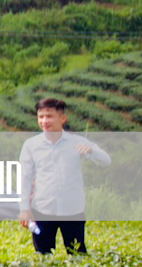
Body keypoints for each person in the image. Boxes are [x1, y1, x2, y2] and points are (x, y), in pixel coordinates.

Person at [20, 97, 111, 255]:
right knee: (43, 256)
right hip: (42, 210)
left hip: (72, 210)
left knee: (77, 254)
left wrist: (92, 151)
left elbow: (106, 161)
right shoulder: (31, 145)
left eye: (49, 116)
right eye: (41, 117)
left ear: (63, 118)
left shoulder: (77, 142)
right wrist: (24, 209)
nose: (44, 121)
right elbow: (25, 178)